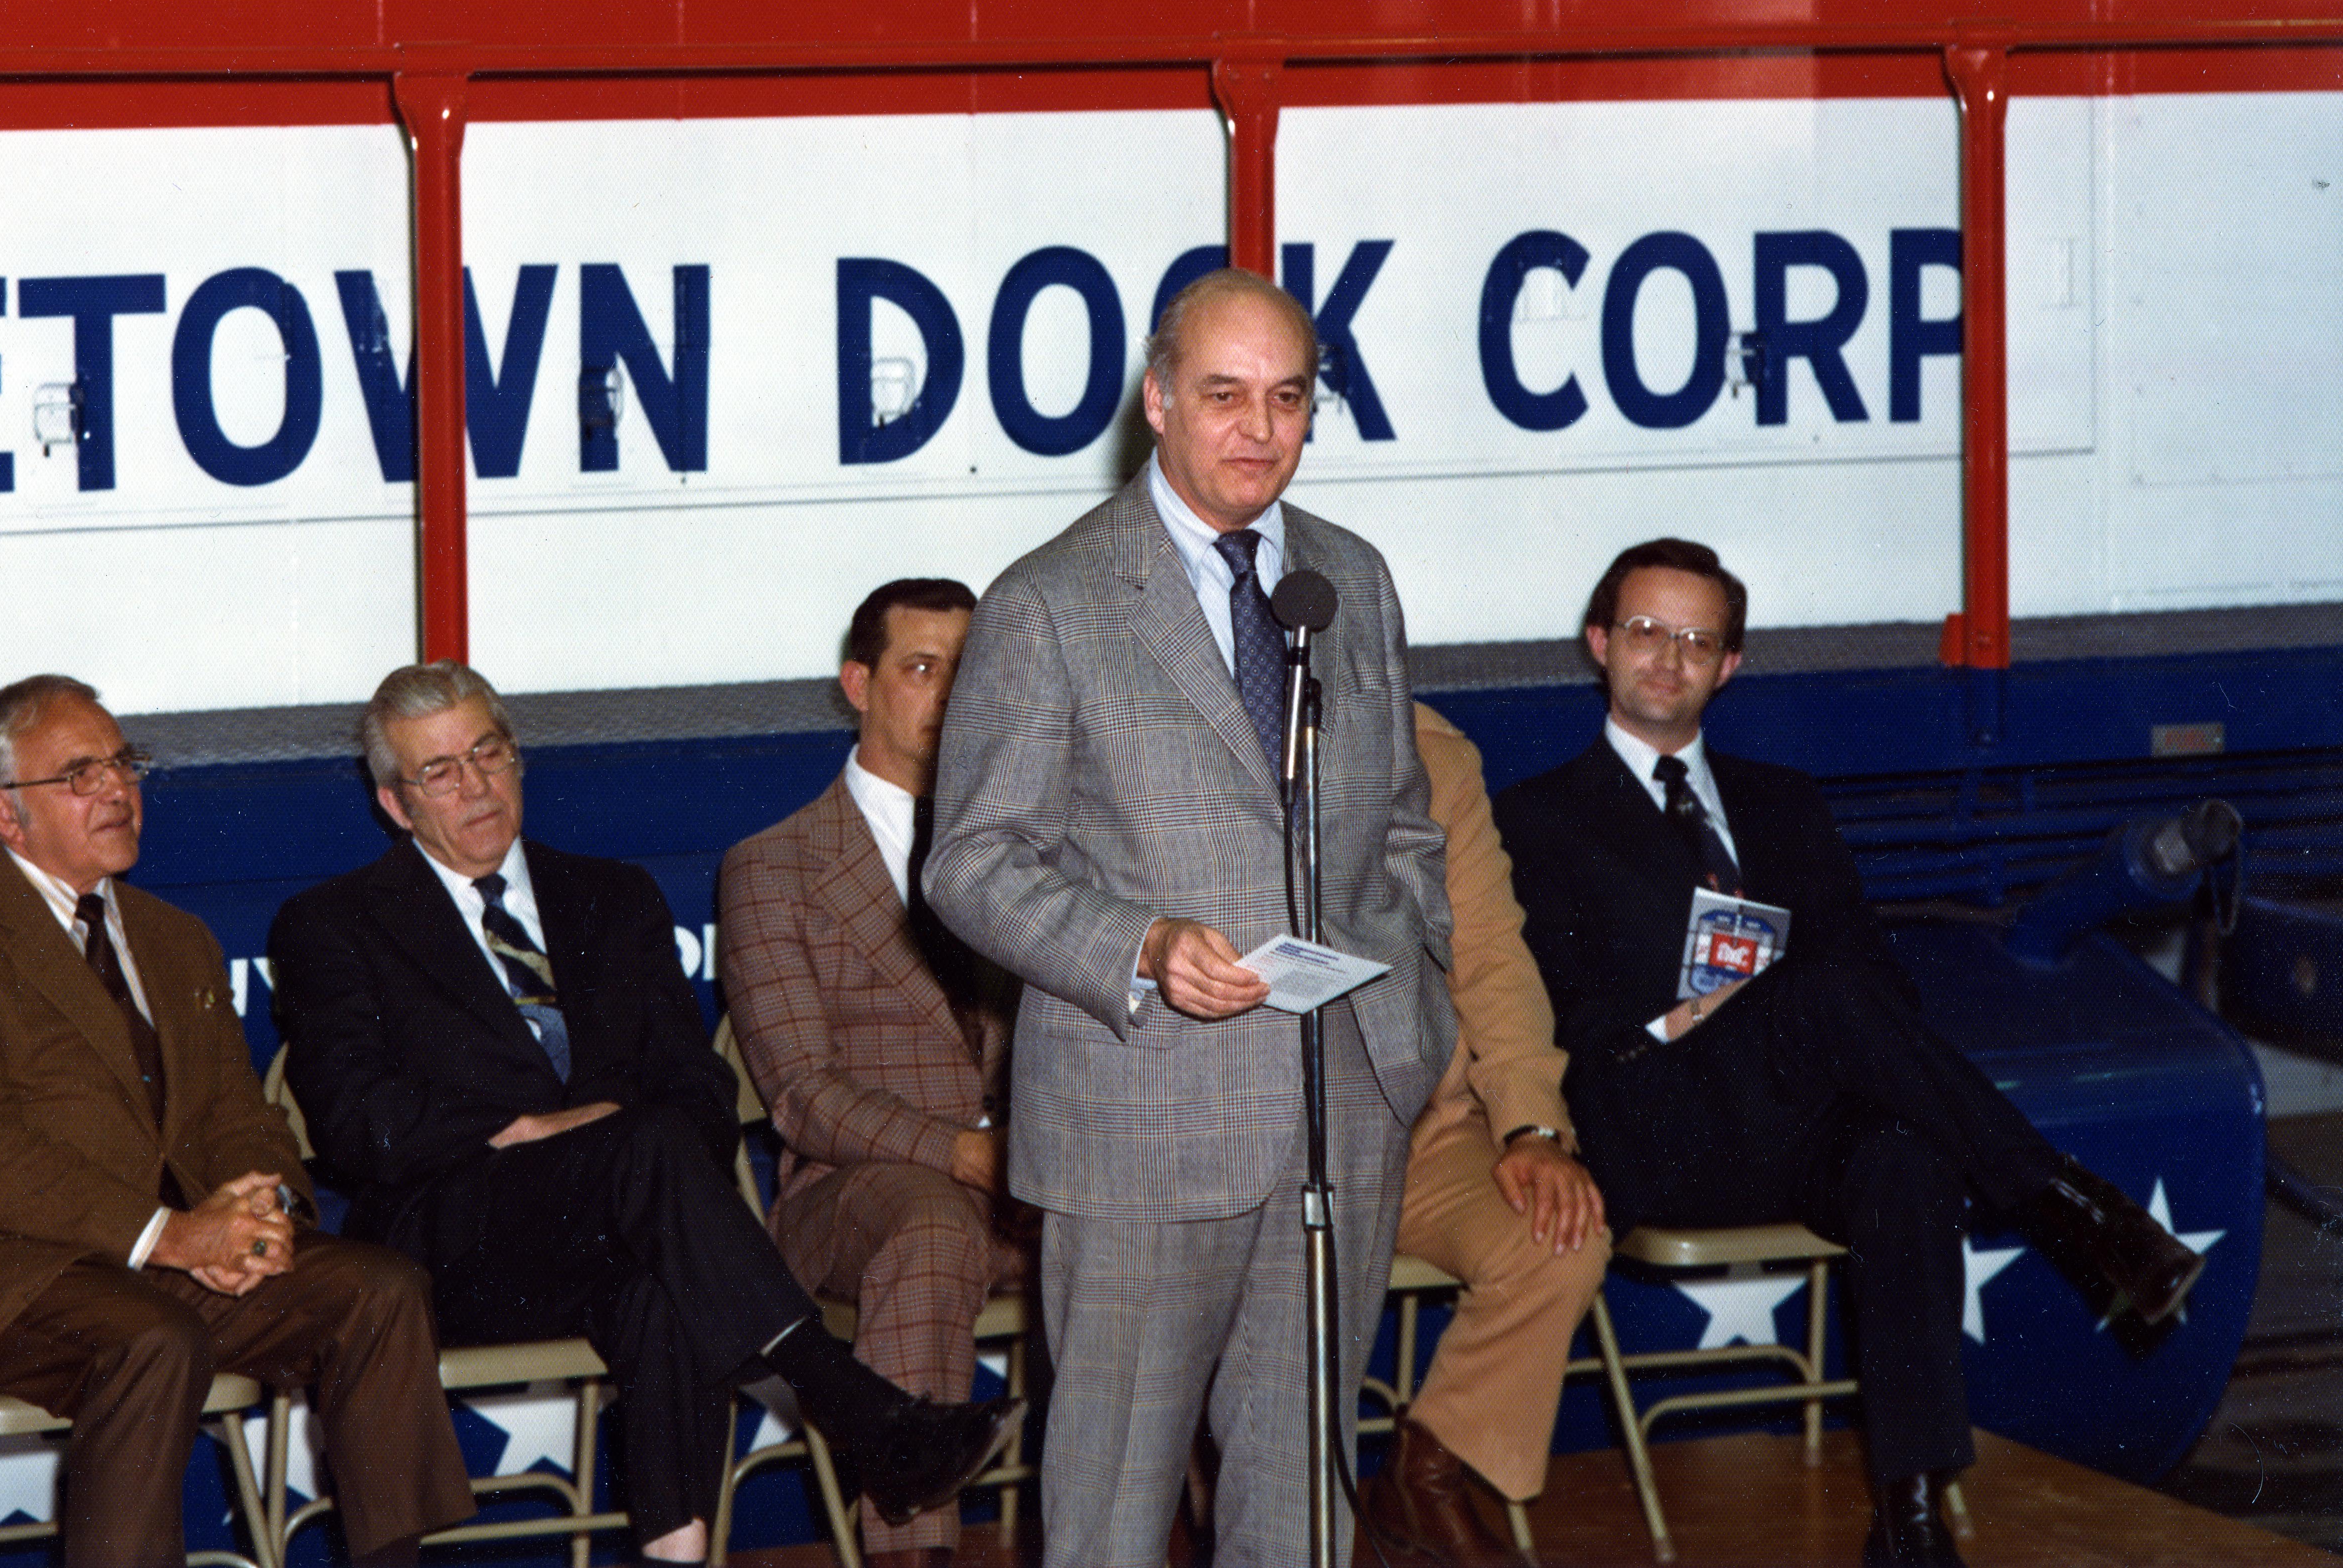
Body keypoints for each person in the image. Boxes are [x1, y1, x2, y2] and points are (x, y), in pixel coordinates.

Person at [1494, 540, 2208, 1568]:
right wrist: (1695, 1015)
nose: (1669, 657)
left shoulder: (1784, 800)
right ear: (1599, 642)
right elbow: (1554, 1017)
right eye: (1646, 630)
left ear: (1729, 666)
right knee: (1816, 991)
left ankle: (1910, 1520)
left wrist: (1778, 1003)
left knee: (1904, 1156)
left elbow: (1880, 986)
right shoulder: (1535, 818)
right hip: (1656, 1125)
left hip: (1792, 1120)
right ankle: (2074, 1205)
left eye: (1697, 639)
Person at [924, 265, 1456, 1568]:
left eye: (1288, 397)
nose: (1258, 429)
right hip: (1143, 1121)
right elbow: (971, 863)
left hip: (1342, 1109)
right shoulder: (1049, 601)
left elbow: (1404, 823)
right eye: (1224, 395)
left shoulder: (1350, 576)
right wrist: (1141, 946)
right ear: (1157, 402)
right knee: (1112, 1507)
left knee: (1302, 1498)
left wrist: (1413, 1006)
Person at [268, 660, 1020, 1566]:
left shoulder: (613, 896)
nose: (476, 785)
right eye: (440, 771)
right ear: (397, 803)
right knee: (648, 1157)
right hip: (458, 1249)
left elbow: (700, 1091)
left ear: (517, 758)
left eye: (489, 753)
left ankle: (680, 1554)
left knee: (664, 1275)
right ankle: (857, 1407)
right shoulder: (333, 922)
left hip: (619, 1234)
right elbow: (359, 1121)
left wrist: (609, 1140)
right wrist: (523, 1131)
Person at [0, 674, 474, 1568]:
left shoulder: (175, 937)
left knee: (379, 1291)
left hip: (156, 1264)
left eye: (124, 763)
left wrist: (263, 1217)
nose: (118, 789)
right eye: (81, 774)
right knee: (153, 1339)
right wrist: (175, 1237)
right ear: (5, 813)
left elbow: (234, 1109)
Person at [719, 577, 1032, 1568]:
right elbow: (802, 1094)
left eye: (966, 672)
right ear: (859, 684)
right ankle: (914, 1553)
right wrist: (965, 1154)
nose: (946, 696)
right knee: (931, 1226)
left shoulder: (1027, 851)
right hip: (854, 1194)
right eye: (921, 668)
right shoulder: (775, 864)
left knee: (1184, 1215)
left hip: (1029, 1182)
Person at [1359, 701, 1608, 1568]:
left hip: (1419, 1133)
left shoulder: (1429, 753)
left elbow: (1492, 952)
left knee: (1556, 1238)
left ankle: (1424, 1477)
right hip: (1254, 1144)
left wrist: (1533, 1127)